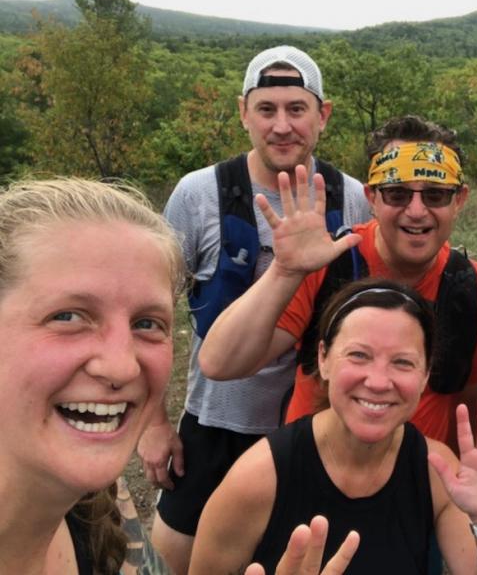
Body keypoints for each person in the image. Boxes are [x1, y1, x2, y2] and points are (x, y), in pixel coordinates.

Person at [0, 177, 360, 575]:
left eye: (147, 323)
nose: (122, 365)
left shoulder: (97, 507)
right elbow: (220, 361)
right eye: (67, 317)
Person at [137, 45, 371, 574]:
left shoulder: (350, 198)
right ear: (243, 112)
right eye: (266, 109)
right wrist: (151, 424)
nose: (282, 125)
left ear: (323, 115)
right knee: (179, 562)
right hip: (216, 420)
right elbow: (151, 316)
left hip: (314, 429)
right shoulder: (199, 195)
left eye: (297, 108)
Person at [199, 114, 477, 448]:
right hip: (313, 478)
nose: (417, 210)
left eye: (435, 195)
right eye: (397, 194)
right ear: (371, 198)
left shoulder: (475, 290)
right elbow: (220, 363)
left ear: (459, 200)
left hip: (419, 487)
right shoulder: (329, 265)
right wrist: (285, 271)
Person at [190, 278, 477, 574]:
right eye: (359, 355)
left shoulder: (436, 472)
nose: (379, 381)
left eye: (402, 362)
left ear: (425, 376)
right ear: (323, 359)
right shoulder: (258, 480)